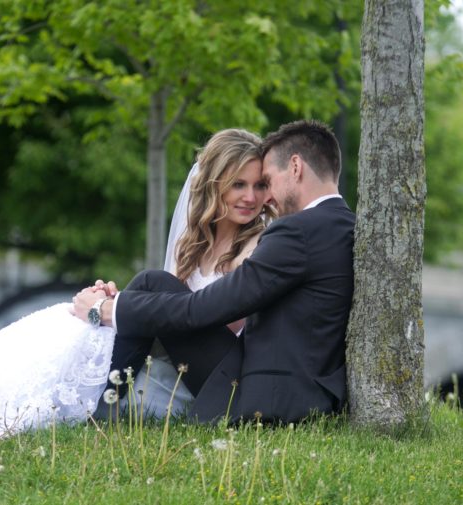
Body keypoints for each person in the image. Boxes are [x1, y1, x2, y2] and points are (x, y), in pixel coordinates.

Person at [0, 128, 273, 436]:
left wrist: (120, 309)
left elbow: (206, 315)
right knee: (76, 320)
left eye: (259, 186)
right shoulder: (193, 244)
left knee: (150, 283)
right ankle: (22, 383)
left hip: (223, 372)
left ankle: (94, 393)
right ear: (213, 186)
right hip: (183, 355)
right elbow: (168, 317)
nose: (251, 197)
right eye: (238, 185)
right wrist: (118, 304)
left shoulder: (259, 244)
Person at [73, 119, 355, 425]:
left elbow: (208, 308)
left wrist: (108, 310)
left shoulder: (298, 232)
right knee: (149, 284)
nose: (265, 198)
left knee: (151, 283)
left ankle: (94, 406)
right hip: (298, 386)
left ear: (296, 167)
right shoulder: (342, 225)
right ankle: (93, 396)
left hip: (265, 393)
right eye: (240, 184)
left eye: (266, 181)